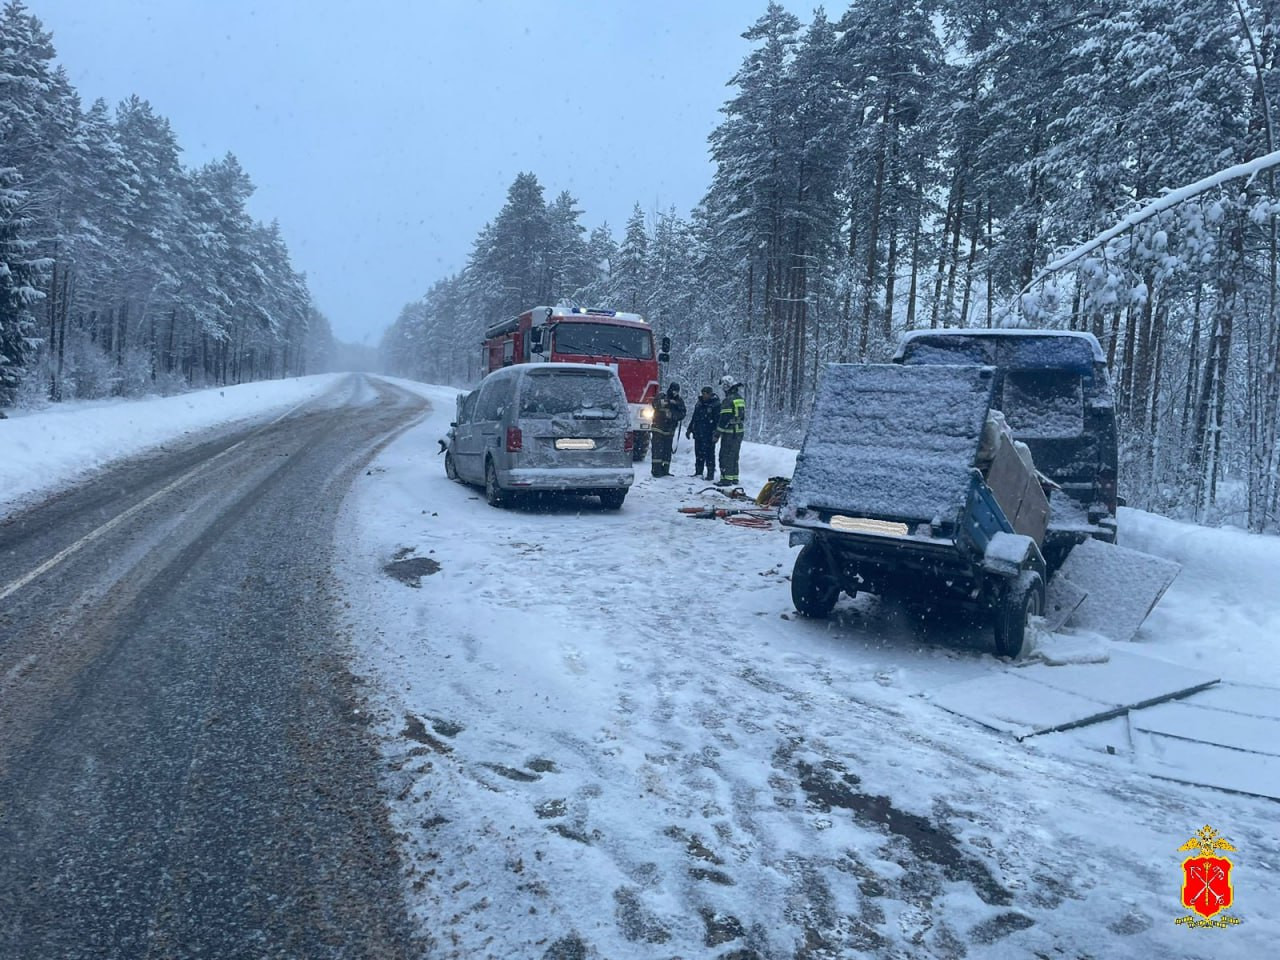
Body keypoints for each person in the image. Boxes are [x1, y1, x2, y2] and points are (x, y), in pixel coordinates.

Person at [649, 382, 686, 477]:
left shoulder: (679, 401)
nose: (675, 393)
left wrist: (673, 415)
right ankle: (656, 470)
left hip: (670, 430)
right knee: (657, 450)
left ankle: (665, 470)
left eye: (677, 391)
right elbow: (655, 404)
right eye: (674, 390)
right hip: (658, 428)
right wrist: (667, 402)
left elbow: (682, 413)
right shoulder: (662, 396)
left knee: (667, 451)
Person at [715, 375, 745, 487]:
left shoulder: (728, 400)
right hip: (739, 432)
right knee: (734, 455)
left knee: (725, 455)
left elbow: (724, 419)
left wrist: (717, 433)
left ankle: (725, 479)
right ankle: (734, 478)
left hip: (729, 432)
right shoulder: (739, 398)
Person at [686, 386, 719, 480]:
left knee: (709, 455)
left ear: (710, 394)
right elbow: (694, 417)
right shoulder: (699, 403)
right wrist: (689, 429)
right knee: (699, 453)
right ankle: (698, 472)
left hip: (709, 434)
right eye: (703, 393)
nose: (704, 395)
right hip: (698, 433)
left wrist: (716, 434)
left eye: (706, 393)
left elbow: (718, 420)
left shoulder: (715, 404)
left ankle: (710, 474)